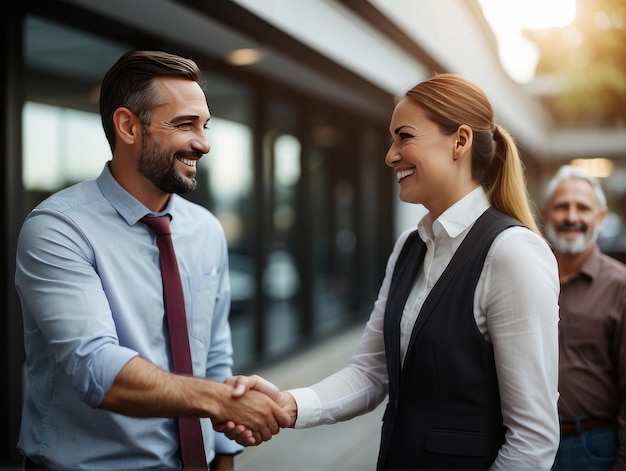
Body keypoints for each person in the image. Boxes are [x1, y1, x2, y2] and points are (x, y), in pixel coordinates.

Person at [220, 73, 561, 469]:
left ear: (461, 141)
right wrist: (289, 404)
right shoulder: (408, 248)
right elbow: (370, 373)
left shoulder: (512, 253)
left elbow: (533, 439)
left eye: (405, 136)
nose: (390, 154)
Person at [14, 50, 289, 470]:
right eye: (184, 124)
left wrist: (224, 455)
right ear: (128, 126)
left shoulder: (205, 229)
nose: (204, 142)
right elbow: (96, 369)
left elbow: (213, 356)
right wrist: (223, 404)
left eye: (205, 125)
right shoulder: (58, 229)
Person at [541, 165, 626, 469]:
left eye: (583, 208)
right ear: (547, 213)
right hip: (524, 443)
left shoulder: (620, 286)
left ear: (600, 217)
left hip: (593, 446)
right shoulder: (528, 277)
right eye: (562, 207)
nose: (572, 217)